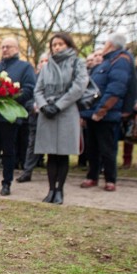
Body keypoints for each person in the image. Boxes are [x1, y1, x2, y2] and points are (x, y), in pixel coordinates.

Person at [33, 33, 87, 204]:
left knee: (63, 153)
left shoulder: (77, 63)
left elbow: (78, 87)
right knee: (50, 154)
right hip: (47, 112)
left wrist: (59, 105)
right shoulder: (47, 66)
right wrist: (43, 105)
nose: (56, 47)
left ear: (68, 45)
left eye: (60, 44)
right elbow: (38, 89)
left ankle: (60, 190)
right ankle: (50, 190)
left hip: (66, 111)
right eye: (54, 44)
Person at [0, 37, 36, 196]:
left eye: (8, 47)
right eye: (2, 47)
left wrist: (8, 99)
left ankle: (6, 183)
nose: (4, 49)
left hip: (10, 117)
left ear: (16, 48)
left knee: (9, 152)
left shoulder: (24, 68)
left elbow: (29, 89)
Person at [79, 32, 134, 192]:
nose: (103, 47)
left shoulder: (120, 61)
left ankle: (110, 179)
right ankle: (92, 176)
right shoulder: (105, 62)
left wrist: (102, 110)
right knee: (92, 148)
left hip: (106, 114)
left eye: (105, 43)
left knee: (107, 148)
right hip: (92, 112)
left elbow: (116, 88)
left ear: (110, 44)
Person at [17, 53, 49, 183]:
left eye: (47, 60)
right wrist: (33, 106)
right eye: (42, 61)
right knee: (32, 146)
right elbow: (28, 97)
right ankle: (27, 171)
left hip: (53, 117)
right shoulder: (34, 79)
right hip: (36, 118)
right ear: (39, 65)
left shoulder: (57, 79)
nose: (44, 63)